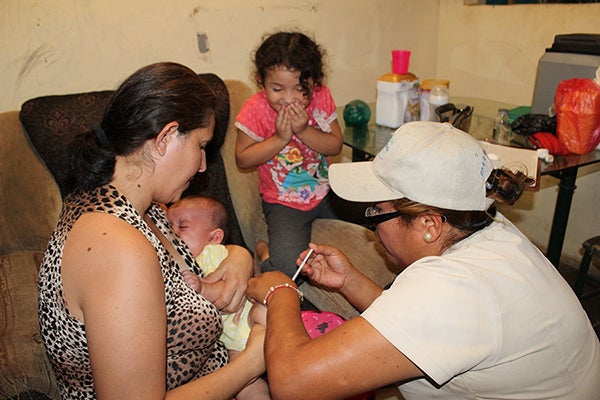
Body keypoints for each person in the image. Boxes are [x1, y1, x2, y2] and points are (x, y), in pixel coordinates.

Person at [246, 121, 600, 399]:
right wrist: (350, 281)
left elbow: (292, 383)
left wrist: (281, 289)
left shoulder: (453, 289)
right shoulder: (487, 231)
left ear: (429, 224)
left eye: (376, 213)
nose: (371, 229)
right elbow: (417, 327)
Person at [37, 62, 265, 399]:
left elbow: (188, 275)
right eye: (201, 146)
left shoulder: (148, 211)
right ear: (166, 137)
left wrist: (238, 256)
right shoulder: (116, 246)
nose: (204, 165)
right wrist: (252, 364)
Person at [234, 31, 344, 279]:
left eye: (300, 89)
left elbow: (335, 145)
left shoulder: (321, 96)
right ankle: (263, 254)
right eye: (277, 89)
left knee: (373, 222)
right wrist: (280, 138)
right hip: (283, 202)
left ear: (314, 83)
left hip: (326, 191)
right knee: (289, 270)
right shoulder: (256, 109)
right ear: (261, 82)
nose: (289, 98)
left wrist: (303, 130)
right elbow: (242, 159)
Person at [167, 195, 271, 400]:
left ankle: (264, 254)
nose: (172, 233)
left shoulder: (211, 254)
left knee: (267, 309)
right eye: (169, 226)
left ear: (214, 237)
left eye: (183, 227)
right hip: (230, 339)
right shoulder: (185, 262)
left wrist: (202, 290)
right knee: (245, 386)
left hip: (250, 317)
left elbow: (228, 290)